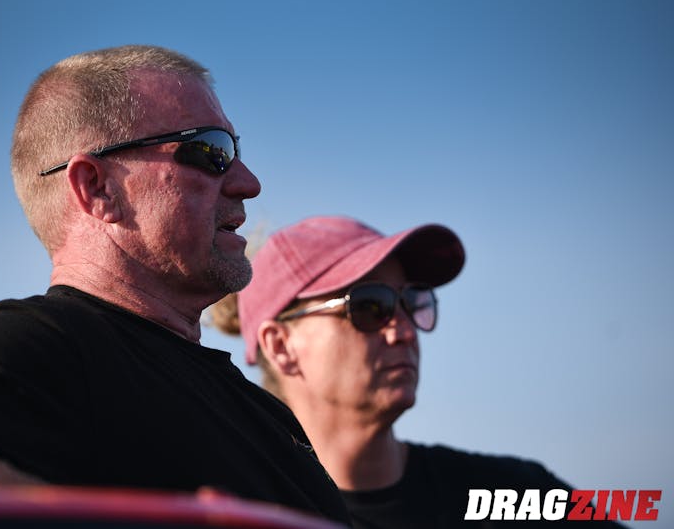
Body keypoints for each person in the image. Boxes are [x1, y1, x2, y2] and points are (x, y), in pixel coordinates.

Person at [0, 46, 349, 525]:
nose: (249, 182)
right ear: (97, 187)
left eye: (235, 150)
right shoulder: (49, 337)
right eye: (212, 151)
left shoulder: (260, 410)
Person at [212, 215, 624, 528]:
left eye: (413, 302)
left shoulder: (517, 497)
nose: (405, 331)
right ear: (281, 347)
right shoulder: (239, 515)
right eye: (370, 306)